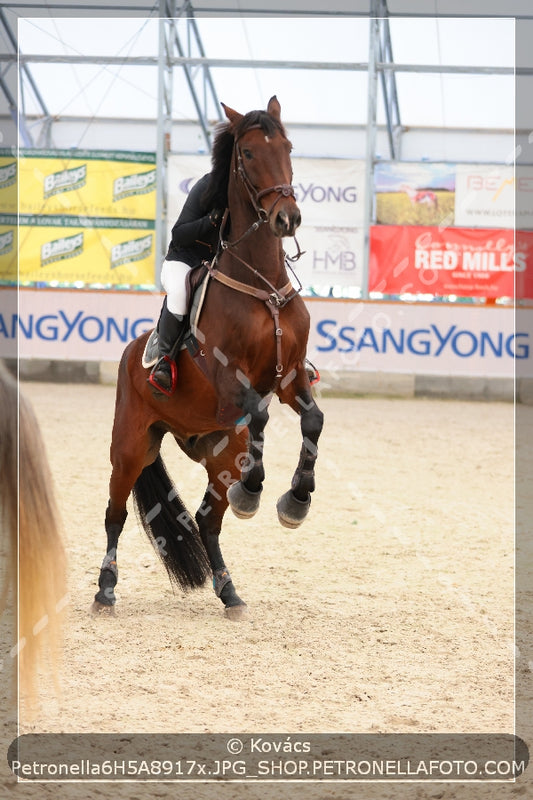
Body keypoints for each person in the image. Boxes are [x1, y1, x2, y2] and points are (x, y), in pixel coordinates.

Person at [149, 172, 224, 395]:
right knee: (180, 295)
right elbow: (179, 234)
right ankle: (164, 361)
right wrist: (210, 221)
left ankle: (293, 362)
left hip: (219, 266)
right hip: (184, 260)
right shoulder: (207, 187)